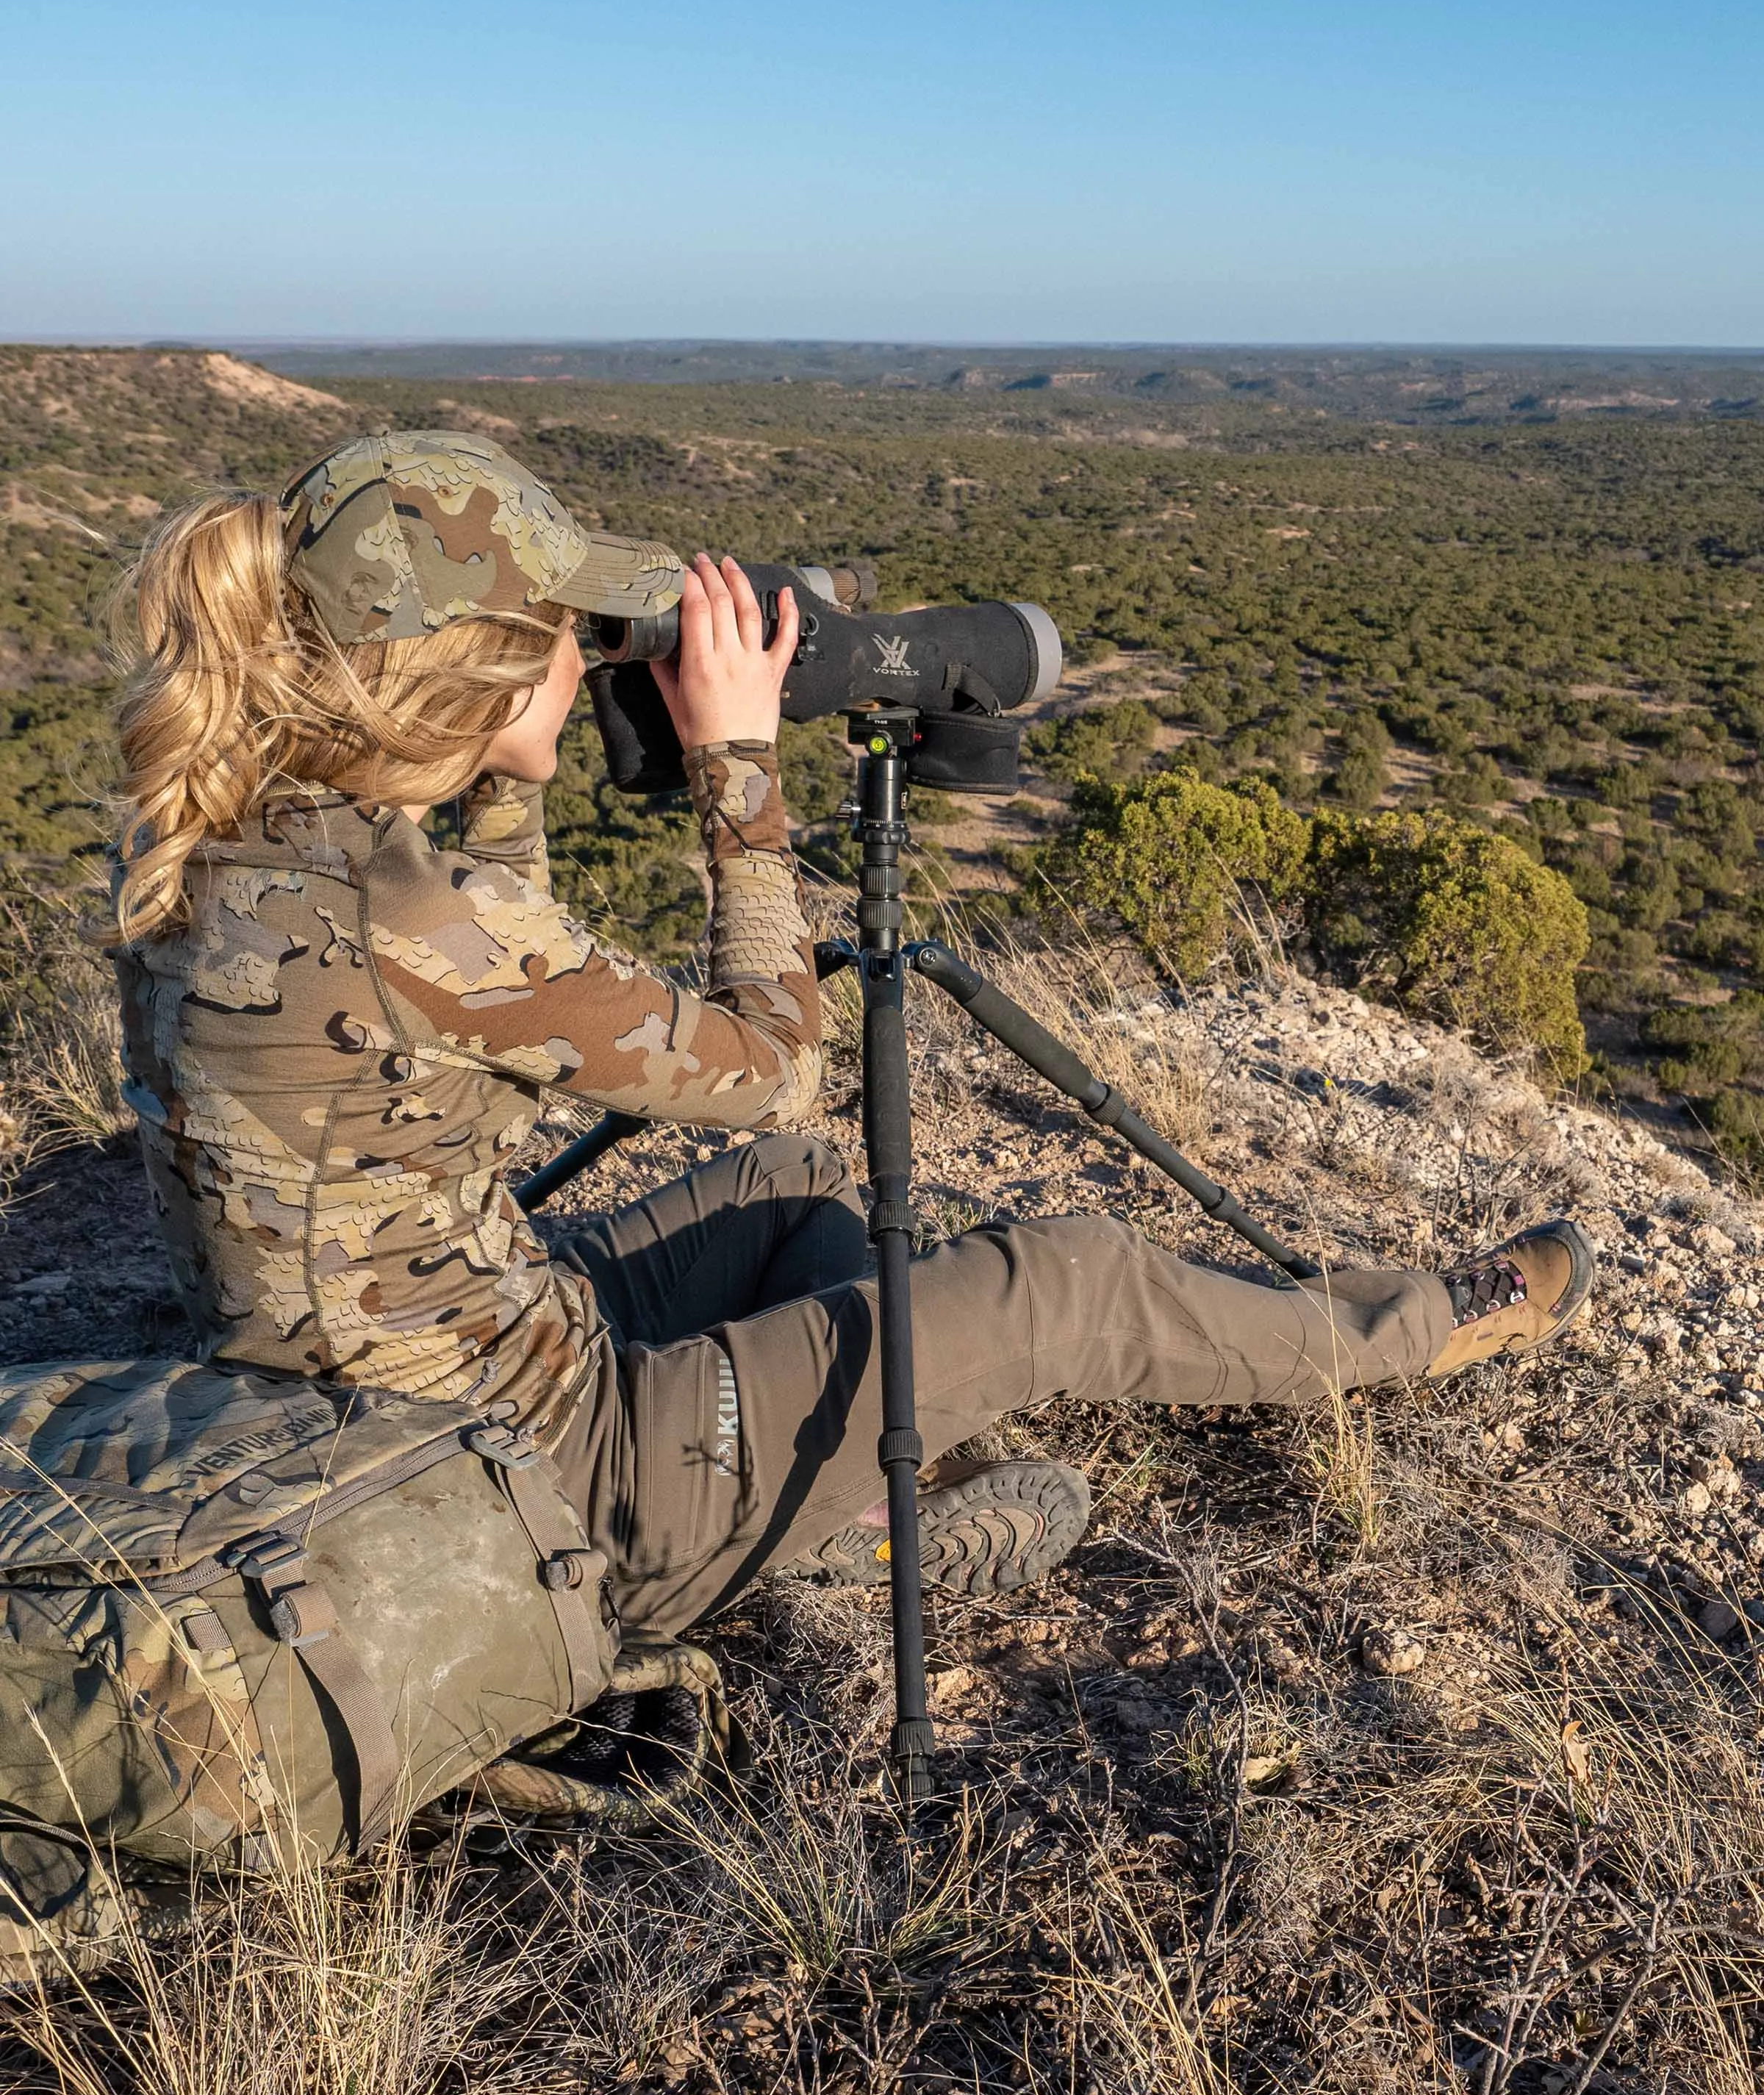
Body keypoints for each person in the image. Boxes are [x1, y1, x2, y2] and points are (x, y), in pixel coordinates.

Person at [105, 431, 1593, 1645]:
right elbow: (772, 1061)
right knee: (1062, 1279)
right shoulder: (411, 919)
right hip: (535, 1493)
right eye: (567, 637)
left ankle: (840, 1506)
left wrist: (515, 767)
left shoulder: (226, 842)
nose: (587, 657)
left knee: (805, 1192)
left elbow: (491, 1004)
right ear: (480, 672)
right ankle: (1415, 1329)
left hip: (383, 1385)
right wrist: (738, 774)